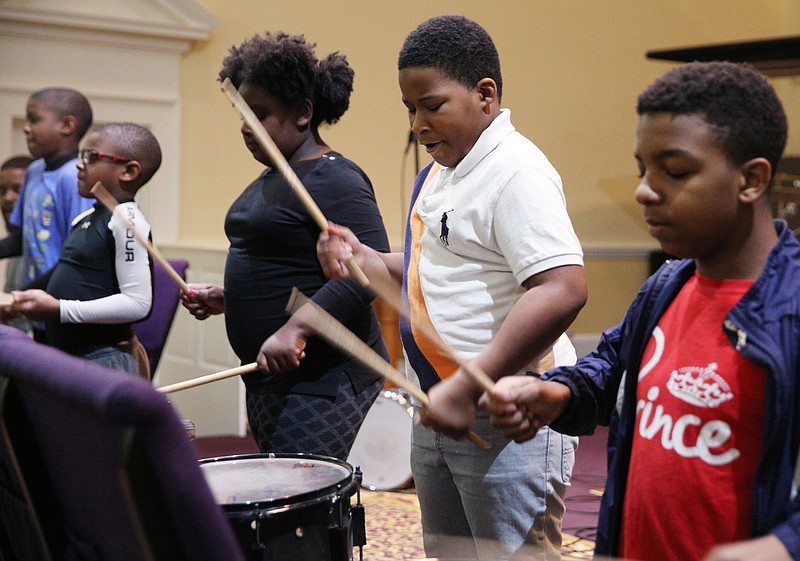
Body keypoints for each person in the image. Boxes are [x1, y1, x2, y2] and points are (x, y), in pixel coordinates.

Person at [481, 61, 798, 561]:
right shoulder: (667, 285)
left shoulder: (792, 312)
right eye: (642, 169)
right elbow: (612, 370)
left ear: (751, 180)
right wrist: (557, 393)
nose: (644, 190)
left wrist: (782, 547)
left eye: (675, 172)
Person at [316, 15, 587, 560]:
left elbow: (561, 288)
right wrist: (361, 260)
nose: (418, 124)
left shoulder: (516, 172)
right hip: (438, 401)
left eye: (432, 105)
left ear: (485, 95)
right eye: (409, 110)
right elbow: (425, 268)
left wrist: (466, 387)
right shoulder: (444, 170)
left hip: (506, 410)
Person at [181, 32, 390, 461]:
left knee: (300, 505)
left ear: (302, 113)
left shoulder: (336, 178)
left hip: (325, 376)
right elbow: (284, 262)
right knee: (286, 498)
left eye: (258, 114)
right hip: (270, 375)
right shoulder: (275, 176)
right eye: (241, 114)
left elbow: (370, 275)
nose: (244, 126)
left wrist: (296, 327)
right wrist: (230, 298)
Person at [3, 122, 158, 377]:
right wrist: (19, 301)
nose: (78, 164)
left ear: (129, 171)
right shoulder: (86, 217)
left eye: (91, 156)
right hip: (69, 355)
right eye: (80, 156)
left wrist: (59, 309)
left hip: (102, 359)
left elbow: (138, 303)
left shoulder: (127, 219)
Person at [0, 88, 95, 342]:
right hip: (38, 310)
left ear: (67, 125)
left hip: (64, 309)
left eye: (34, 119)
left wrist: (21, 296)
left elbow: (76, 256)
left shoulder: (75, 178)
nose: (26, 128)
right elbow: (26, 237)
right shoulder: (34, 171)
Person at [0, 155, 33, 334]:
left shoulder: (44, 249)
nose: (7, 198)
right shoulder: (15, 248)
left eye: (17, 190)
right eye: (2, 190)